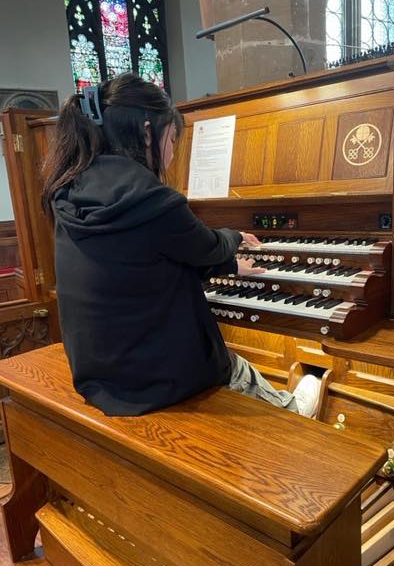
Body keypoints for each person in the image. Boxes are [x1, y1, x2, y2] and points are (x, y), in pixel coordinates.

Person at [42, 73, 319, 417]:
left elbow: (146, 259)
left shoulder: (69, 188)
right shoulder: (150, 198)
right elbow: (208, 247)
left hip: (99, 373)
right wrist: (233, 239)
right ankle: (292, 410)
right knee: (228, 362)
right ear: (147, 133)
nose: (172, 154)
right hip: (155, 383)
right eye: (172, 139)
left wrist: (230, 265)